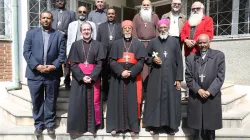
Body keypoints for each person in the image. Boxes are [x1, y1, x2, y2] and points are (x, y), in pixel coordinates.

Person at [23, 11, 66, 136]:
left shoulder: (59, 35)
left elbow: (62, 54)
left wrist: (53, 66)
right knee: (37, 100)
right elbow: (26, 52)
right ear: (40, 19)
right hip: (34, 74)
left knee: (51, 100)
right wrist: (37, 66)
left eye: (48, 18)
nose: (46, 20)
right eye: (44, 18)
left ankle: (50, 124)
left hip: (52, 74)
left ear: (52, 20)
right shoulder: (31, 34)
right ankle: (39, 125)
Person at [142, 19, 183, 135]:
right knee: (155, 99)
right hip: (156, 76)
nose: (163, 29)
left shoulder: (175, 42)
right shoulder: (153, 42)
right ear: (158, 29)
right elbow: (146, 57)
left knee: (171, 100)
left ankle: (170, 126)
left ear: (168, 28)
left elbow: (179, 60)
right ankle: (153, 125)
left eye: (165, 27)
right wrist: (152, 60)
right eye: (161, 28)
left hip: (171, 76)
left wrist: (179, 78)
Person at [106, 20, 146, 135]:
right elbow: (112, 61)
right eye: (125, 28)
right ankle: (115, 126)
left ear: (132, 30)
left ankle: (133, 126)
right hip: (118, 78)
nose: (127, 30)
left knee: (132, 102)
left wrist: (131, 72)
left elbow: (141, 61)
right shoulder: (116, 43)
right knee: (116, 102)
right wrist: (121, 71)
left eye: (129, 28)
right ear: (122, 30)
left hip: (133, 79)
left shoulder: (138, 44)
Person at [67, 22, 105, 134]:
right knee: (78, 103)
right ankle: (79, 128)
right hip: (79, 79)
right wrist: (82, 76)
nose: (86, 31)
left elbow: (100, 63)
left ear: (92, 31)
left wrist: (92, 76)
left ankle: (92, 127)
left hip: (94, 78)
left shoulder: (98, 45)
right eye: (84, 30)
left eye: (88, 29)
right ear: (81, 31)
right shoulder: (75, 45)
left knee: (94, 102)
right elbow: (72, 63)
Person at [185, 34, 225, 140]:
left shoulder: (219, 56)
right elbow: (188, 77)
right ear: (197, 44)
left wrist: (210, 91)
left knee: (210, 129)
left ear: (209, 42)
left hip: (211, 96)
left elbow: (220, 77)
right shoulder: (190, 58)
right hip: (196, 96)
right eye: (200, 43)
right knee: (197, 130)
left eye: (205, 42)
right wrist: (198, 90)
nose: (202, 45)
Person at [97, 7, 122, 101]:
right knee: (104, 75)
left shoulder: (119, 26)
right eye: (109, 14)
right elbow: (98, 41)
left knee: (115, 74)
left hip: (116, 55)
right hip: (104, 55)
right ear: (106, 15)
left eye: (112, 14)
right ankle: (105, 93)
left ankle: (114, 94)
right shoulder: (101, 26)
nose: (111, 15)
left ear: (115, 15)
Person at [51, 0, 76, 89]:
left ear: (65, 2)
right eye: (57, 1)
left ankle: (67, 81)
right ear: (55, 2)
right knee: (54, 59)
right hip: (53, 40)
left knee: (66, 61)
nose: (60, 2)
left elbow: (73, 26)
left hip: (66, 39)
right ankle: (55, 80)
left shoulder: (71, 13)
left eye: (62, 1)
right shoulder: (51, 13)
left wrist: (64, 33)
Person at [132, 0, 159, 82]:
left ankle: (150, 83)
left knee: (151, 63)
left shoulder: (155, 16)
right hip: (140, 44)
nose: (146, 6)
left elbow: (158, 29)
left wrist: (156, 43)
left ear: (150, 6)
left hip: (152, 43)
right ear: (141, 6)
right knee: (141, 63)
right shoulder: (137, 17)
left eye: (147, 5)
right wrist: (136, 43)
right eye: (144, 5)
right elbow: (133, 30)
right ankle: (140, 82)